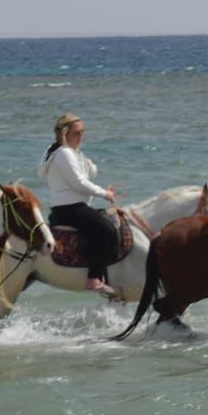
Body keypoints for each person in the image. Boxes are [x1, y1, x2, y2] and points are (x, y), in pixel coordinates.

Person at [37, 113, 121, 298]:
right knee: (105, 230)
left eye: (83, 132)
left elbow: (91, 173)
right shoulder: (64, 153)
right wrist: (105, 194)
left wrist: (84, 160)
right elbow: (79, 184)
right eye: (77, 133)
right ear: (65, 133)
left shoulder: (58, 150)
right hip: (71, 208)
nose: (81, 136)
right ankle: (93, 279)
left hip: (67, 207)